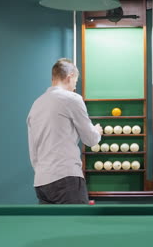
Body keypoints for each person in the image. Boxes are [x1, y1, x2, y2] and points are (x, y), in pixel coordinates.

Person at [27, 58, 103, 204]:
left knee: (51, 227)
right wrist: (97, 131)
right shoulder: (72, 98)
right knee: (76, 226)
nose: (75, 87)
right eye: (75, 82)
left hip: (41, 182)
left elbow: (33, 151)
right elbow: (91, 139)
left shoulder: (36, 105)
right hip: (66, 178)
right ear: (70, 77)